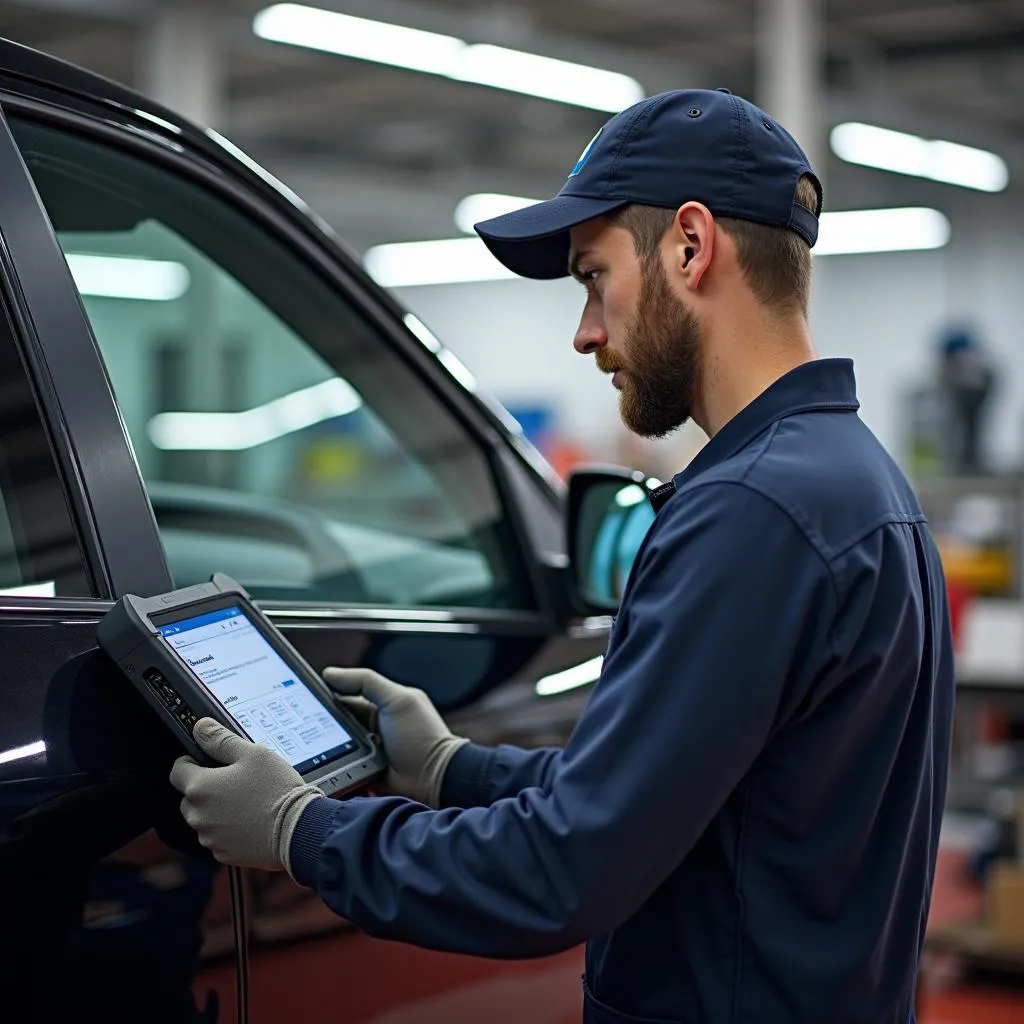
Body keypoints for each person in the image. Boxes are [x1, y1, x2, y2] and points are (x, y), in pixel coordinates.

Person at [170, 88, 955, 1023]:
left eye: (592, 278)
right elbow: (683, 800)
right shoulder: (855, 483)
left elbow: (564, 869)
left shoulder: (752, 512)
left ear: (691, 247)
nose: (585, 332)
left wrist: (307, 833)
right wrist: (455, 769)